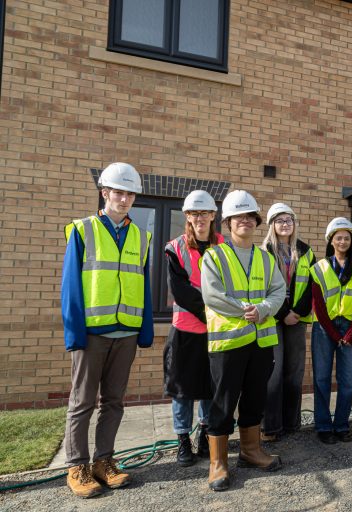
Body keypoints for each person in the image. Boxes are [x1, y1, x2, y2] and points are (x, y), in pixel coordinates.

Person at [61, 162, 153, 498]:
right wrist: (75, 333)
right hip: (92, 333)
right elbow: (71, 286)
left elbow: (144, 287)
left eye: (130, 193)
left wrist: (144, 330)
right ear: (105, 193)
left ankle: (104, 461)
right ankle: (77, 466)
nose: (125, 198)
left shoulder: (142, 237)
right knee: (82, 401)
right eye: (119, 192)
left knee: (113, 402)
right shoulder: (83, 230)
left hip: (125, 334)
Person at [200, 190, 286, 491]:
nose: (245, 221)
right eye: (239, 217)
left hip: (261, 342)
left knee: (255, 397)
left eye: (250, 216)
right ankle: (218, 463)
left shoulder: (265, 258)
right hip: (229, 343)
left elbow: (278, 291)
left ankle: (251, 451)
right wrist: (246, 311)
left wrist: (263, 310)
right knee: (223, 402)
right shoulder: (214, 256)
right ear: (228, 222)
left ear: (257, 221)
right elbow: (211, 295)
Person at [163, 190, 224, 466]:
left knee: (210, 388)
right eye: (194, 214)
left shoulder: (225, 246)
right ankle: (182, 440)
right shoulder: (174, 247)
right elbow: (179, 289)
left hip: (215, 332)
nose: (199, 218)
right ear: (187, 216)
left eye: (204, 213)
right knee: (183, 390)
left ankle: (205, 435)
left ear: (213, 215)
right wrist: (208, 313)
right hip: (186, 330)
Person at [261, 203, 315, 441]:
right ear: (272, 224)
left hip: (298, 317)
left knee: (294, 369)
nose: (285, 224)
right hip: (272, 316)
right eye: (280, 220)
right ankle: (270, 426)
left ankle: (291, 423)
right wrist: (283, 312)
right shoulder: (263, 252)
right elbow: (261, 286)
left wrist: (297, 312)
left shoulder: (306, 251)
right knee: (273, 369)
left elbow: (312, 285)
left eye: (289, 220)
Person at [309, 218, 352, 444]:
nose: (342, 241)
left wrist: (351, 332)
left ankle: (341, 425)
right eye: (338, 237)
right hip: (324, 328)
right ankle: (323, 426)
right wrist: (333, 333)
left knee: (348, 380)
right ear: (331, 240)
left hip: (350, 327)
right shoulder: (318, 268)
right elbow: (318, 306)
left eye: (346, 237)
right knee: (321, 378)